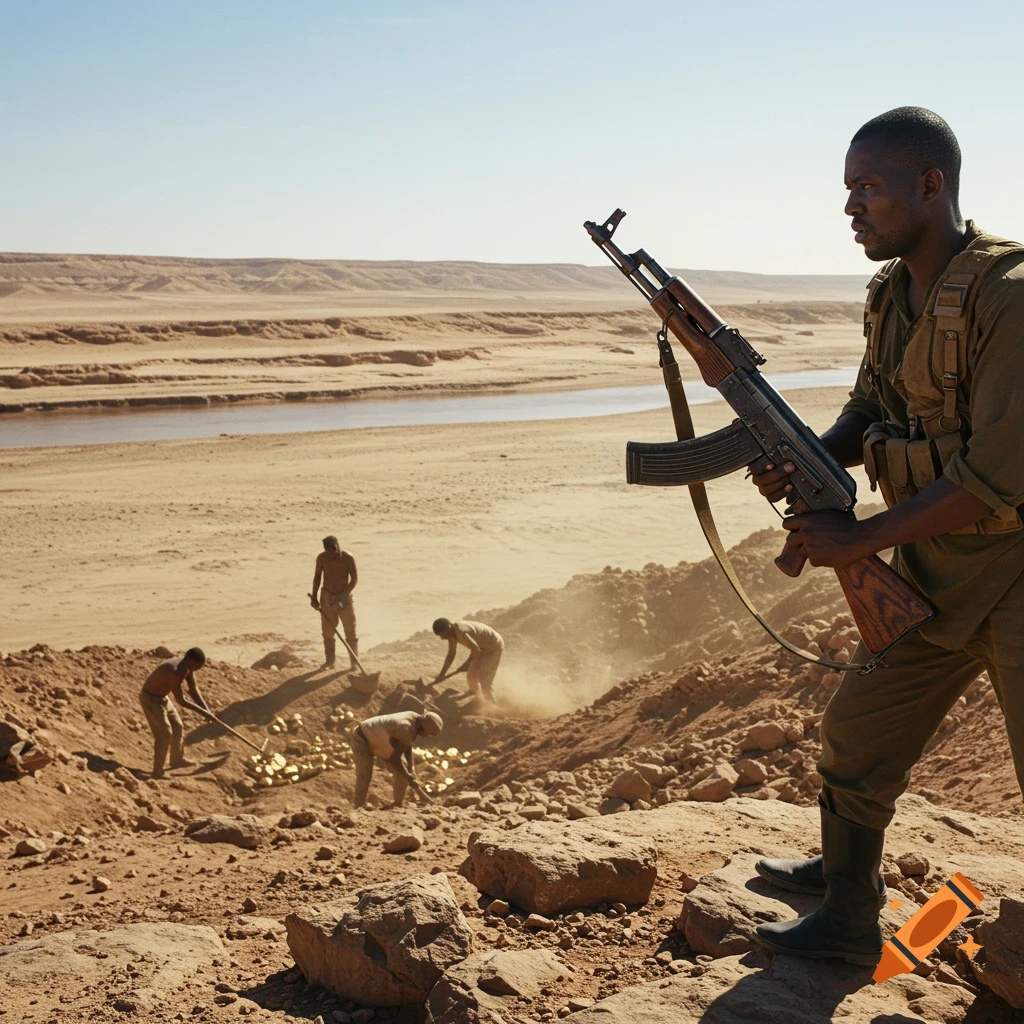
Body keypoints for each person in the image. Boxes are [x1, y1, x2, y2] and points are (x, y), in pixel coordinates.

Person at [750, 107, 1024, 967]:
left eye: (869, 187)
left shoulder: (1008, 295)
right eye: (847, 191)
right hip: (932, 574)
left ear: (931, 184)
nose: (851, 208)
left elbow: (997, 472)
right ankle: (846, 908)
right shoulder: (893, 294)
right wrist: (809, 460)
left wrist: (862, 538)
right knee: (857, 738)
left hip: (1016, 571)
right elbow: (875, 404)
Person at [139, 648, 211, 778]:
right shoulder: (175, 671)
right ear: (190, 660)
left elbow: (193, 689)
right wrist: (202, 712)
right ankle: (157, 771)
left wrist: (207, 710)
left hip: (163, 698)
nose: (198, 669)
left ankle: (176, 759)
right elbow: (181, 700)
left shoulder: (188, 667)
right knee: (165, 734)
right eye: (198, 666)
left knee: (177, 726)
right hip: (150, 699)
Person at [349, 710, 442, 809]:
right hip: (362, 738)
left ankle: (397, 804)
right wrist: (409, 778)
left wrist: (411, 768)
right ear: (423, 728)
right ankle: (358, 807)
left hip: (381, 740)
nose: (427, 736)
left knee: (404, 773)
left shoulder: (415, 718)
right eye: (428, 733)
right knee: (365, 775)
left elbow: (407, 745)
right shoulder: (405, 727)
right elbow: (395, 759)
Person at [310, 536, 359, 670]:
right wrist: (314, 597)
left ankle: (354, 663)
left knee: (350, 630)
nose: (332, 554)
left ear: (338, 545)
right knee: (327, 631)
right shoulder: (322, 558)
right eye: (329, 552)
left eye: (334, 550)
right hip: (326, 598)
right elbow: (317, 578)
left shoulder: (348, 558)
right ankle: (330, 662)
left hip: (344, 598)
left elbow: (354, 579)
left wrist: (342, 596)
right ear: (325, 550)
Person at [432, 618, 504, 701]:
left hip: (494, 647)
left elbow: (476, 649)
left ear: (449, 627)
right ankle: (474, 693)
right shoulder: (451, 634)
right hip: (481, 648)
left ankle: (491, 704)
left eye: (442, 634)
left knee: (484, 679)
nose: (442, 638)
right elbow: (451, 654)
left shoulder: (461, 631)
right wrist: (442, 674)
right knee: (471, 675)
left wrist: (467, 663)